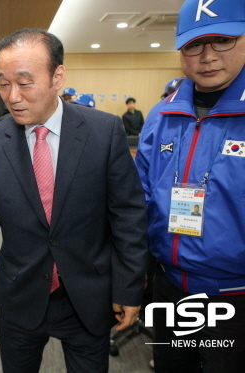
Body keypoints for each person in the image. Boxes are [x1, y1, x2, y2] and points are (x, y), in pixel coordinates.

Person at [0, 28, 148, 373]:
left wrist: (128, 288)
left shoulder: (103, 131)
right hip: (20, 296)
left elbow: (127, 215)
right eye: (3, 83)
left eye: (25, 82)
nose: (13, 96)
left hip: (88, 295)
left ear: (58, 76)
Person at [135, 0, 245, 372]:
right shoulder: (161, 115)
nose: (207, 56)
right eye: (194, 45)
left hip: (235, 297)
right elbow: (141, 201)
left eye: (222, 41)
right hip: (170, 287)